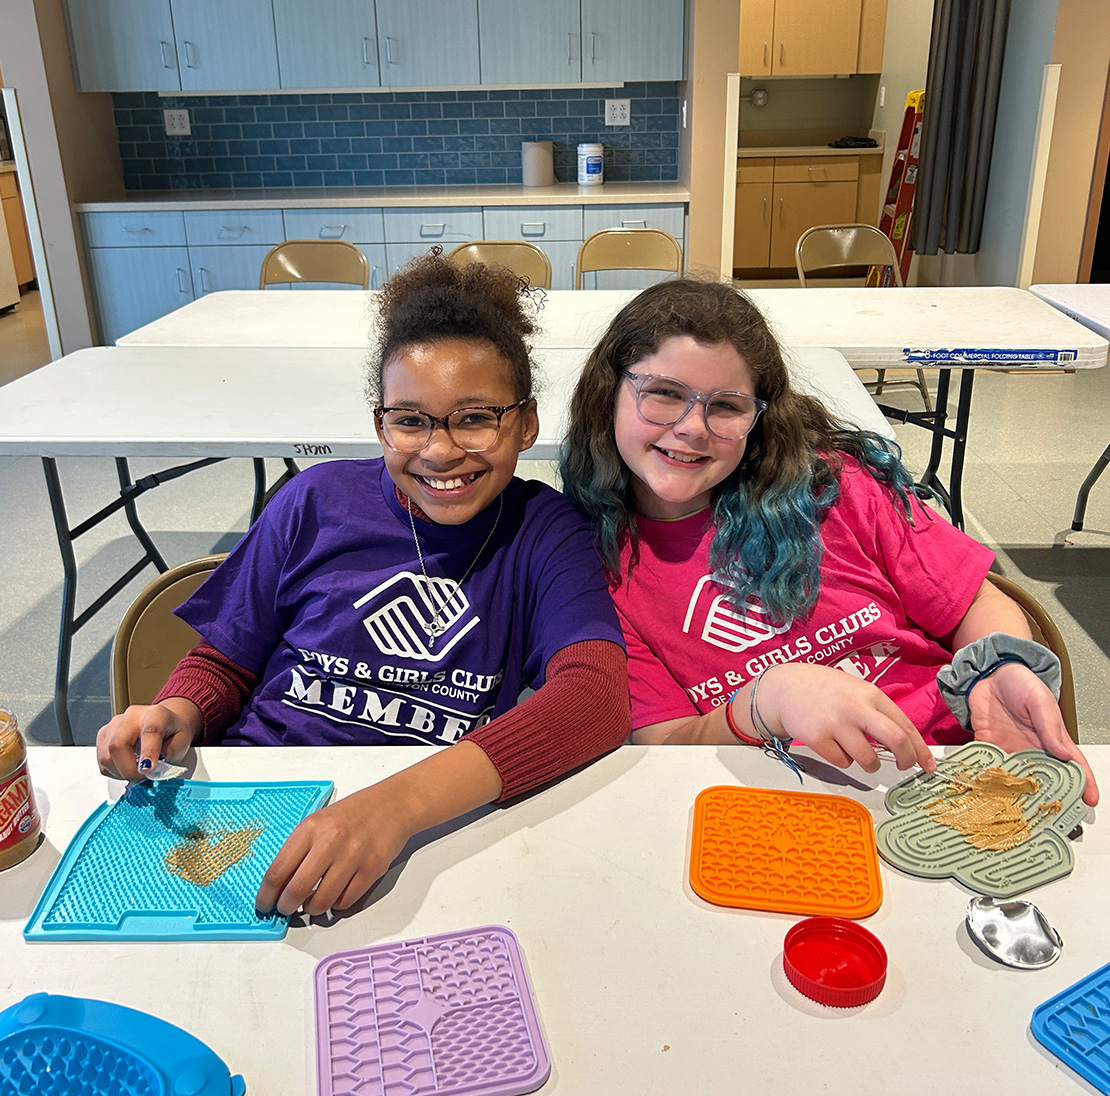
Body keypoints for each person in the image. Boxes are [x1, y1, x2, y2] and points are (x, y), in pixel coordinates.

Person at [97, 250, 630, 915]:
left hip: (417, 828)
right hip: (256, 798)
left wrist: (395, 808)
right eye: (409, 420)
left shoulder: (544, 531)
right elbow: (228, 659)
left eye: (474, 417)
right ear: (380, 422)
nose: (439, 451)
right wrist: (175, 712)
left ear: (525, 422)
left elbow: (596, 698)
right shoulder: (315, 500)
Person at [559, 278, 1098, 805]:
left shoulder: (832, 488)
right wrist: (764, 702)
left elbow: (971, 599)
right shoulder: (591, 569)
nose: (694, 427)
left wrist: (998, 664)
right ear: (610, 395)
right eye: (663, 394)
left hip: (954, 766)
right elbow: (663, 743)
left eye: (726, 406)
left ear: (759, 418)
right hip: (774, 806)